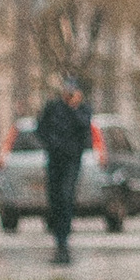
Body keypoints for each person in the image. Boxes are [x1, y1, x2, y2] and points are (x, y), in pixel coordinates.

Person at [34, 78, 91, 267]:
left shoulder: (82, 110)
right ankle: (58, 237)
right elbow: (40, 129)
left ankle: (63, 240)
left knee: (67, 196)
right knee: (55, 198)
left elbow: (85, 129)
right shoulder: (53, 108)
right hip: (55, 159)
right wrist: (51, 144)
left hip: (72, 161)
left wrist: (75, 109)